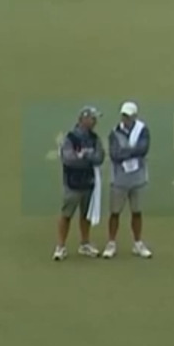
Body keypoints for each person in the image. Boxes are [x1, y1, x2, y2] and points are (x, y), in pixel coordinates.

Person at [54, 106, 105, 260]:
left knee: (85, 215)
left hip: (89, 183)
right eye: (92, 118)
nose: (95, 121)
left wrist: (84, 156)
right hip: (73, 184)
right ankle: (61, 246)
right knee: (66, 215)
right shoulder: (70, 138)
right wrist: (85, 158)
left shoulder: (95, 138)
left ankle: (85, 244)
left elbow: (99, 158)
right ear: (83, 119)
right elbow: (68, 160)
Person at [105, 102, 154, 259]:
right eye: (123, 115)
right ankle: (111, 243)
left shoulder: (142, 130)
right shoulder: (114, 132)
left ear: (134, 116)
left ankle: (137, 243)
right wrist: (131, 152)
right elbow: (114, 154)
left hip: (137, 178)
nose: (125, 118)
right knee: (115, 213)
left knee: (137, 212)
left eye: (128, 116)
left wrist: (126, 151)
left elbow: (143, 149)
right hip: (119, 179)